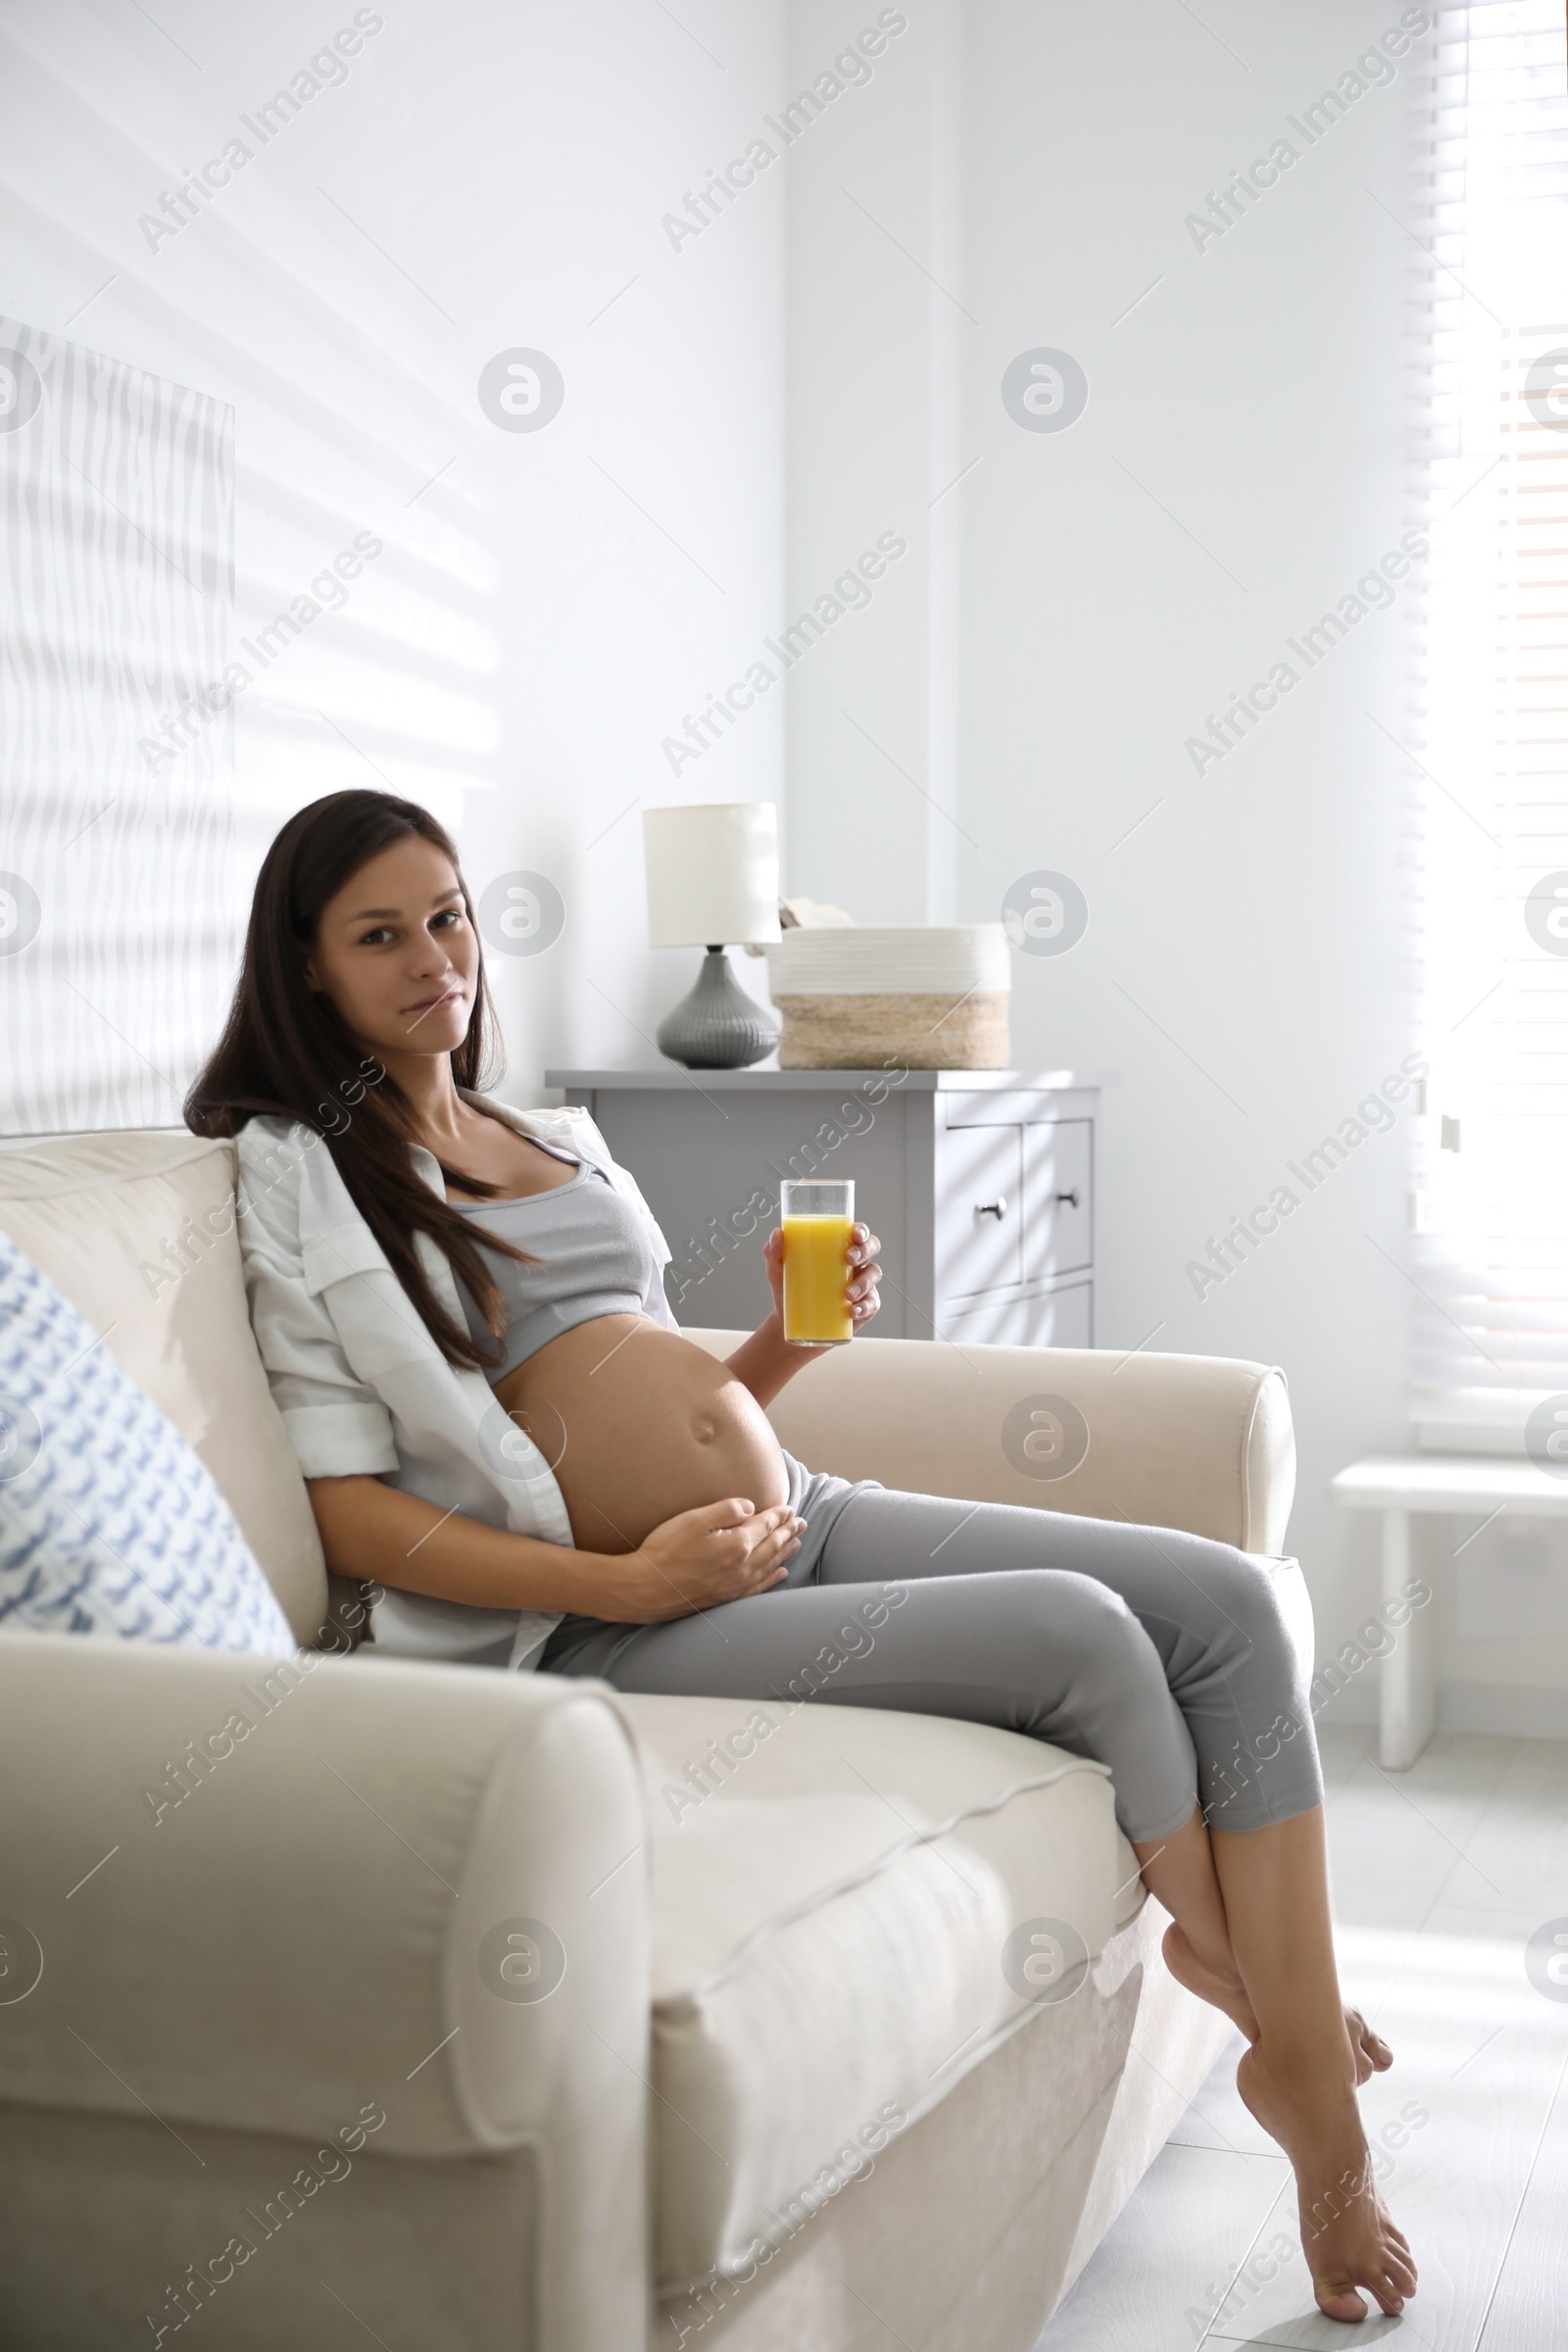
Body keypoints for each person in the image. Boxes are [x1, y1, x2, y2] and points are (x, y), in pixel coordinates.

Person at [188, 788, 1416, 2325]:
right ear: (305, 967)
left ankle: (1271, 2017)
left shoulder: (538, 1126)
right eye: (380, 934)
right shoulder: (303, 1172)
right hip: (607, 1619)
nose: (435, 957)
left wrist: (783, 1340)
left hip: (797, 1514)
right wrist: (627, 1586)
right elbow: (349, 1513)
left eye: (448, 916)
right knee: (1087, 1634)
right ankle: (1313, 2097)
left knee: (1225, 1600)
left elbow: (664, 1389)